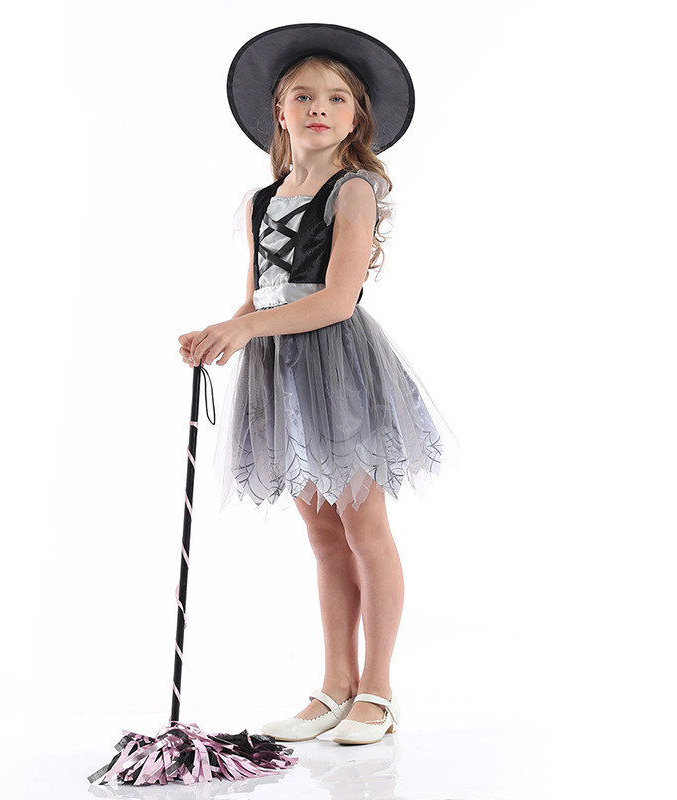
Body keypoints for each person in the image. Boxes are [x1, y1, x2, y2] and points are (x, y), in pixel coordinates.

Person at [178, 23, 458, 746]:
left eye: (336, 98)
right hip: (281, 373)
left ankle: (378, 691)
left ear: (357, 116)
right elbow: (258, 297)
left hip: (339, 366)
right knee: (323, 534)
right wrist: (221, 331)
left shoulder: (354, 190)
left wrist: (247, 328)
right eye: (303, 96)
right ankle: (335, 685)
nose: (319, 109)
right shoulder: (259, 202)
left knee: (365, 529)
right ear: (279, 111)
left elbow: (335, 300)